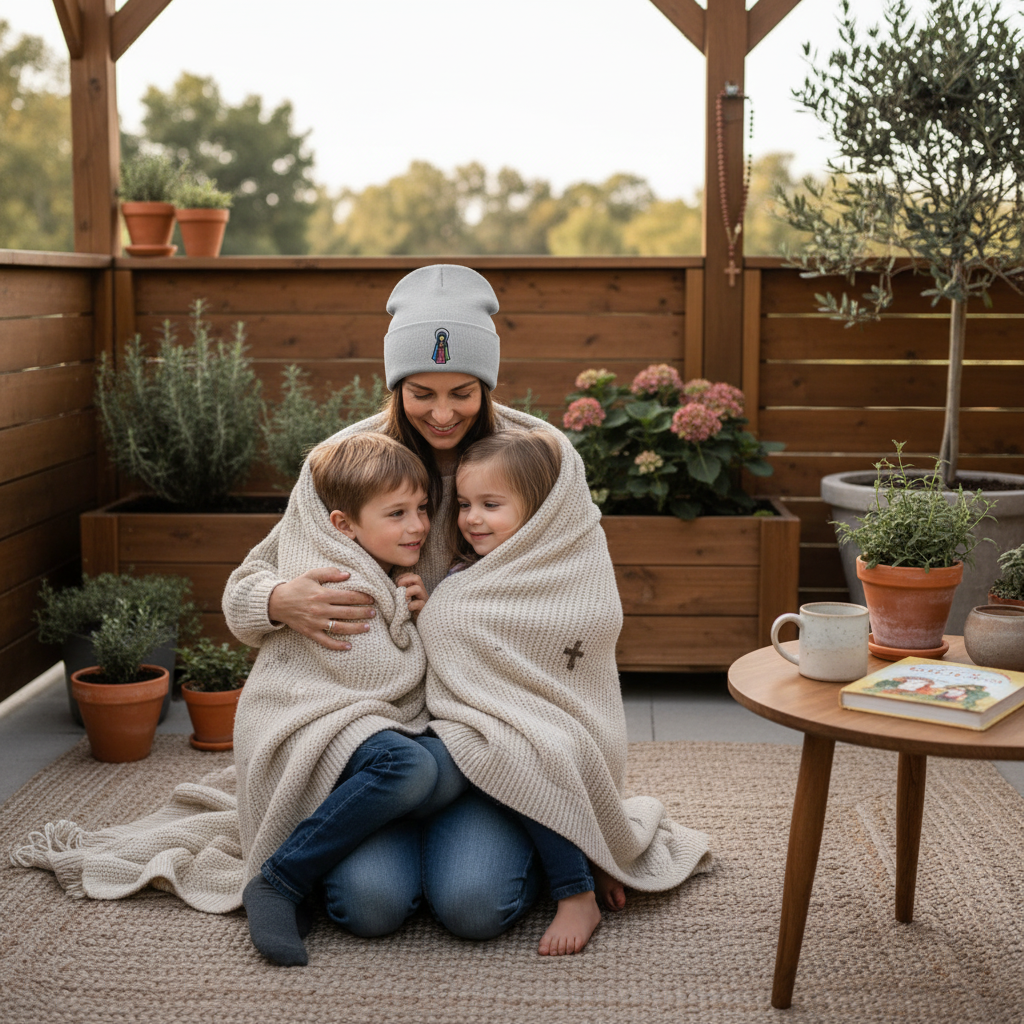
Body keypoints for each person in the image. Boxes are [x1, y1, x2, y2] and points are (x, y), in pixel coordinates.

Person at [224, 264, 711, 944]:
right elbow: (246, 585)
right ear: (395, 386)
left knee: (475, 907)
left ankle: (544, 836)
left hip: (491, 726)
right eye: (421, 393)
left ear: (488, 384)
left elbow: (582, 605)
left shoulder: (541, 459)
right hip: (375, 735)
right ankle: (327, 854)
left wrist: (450, 615)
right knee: (368, 907)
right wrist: (278, 599)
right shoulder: (345, 463)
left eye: (463, 391)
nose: (443, 412)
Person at [236, 432, 466, 966]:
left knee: (461, 758)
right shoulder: (329, 570)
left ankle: (377, 824)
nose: (418, 526)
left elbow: (411, 667)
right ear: (343, 525)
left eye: (422, 508)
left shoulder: (388, 569)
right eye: (397, 514)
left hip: (378, 729)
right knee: (408, 766)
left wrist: (423, 615)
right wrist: (276, 598)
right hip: (313, 719)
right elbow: (373, 669)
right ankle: (279, 879)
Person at [440, 428, 627, 956]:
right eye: (464, 504)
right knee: (506, 747)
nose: (472, 518)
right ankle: (584, 855)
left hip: (546, 720)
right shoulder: (466, 569)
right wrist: (429, 609)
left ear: (539, 510)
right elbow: (453, 635)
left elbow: (584, 635)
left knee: (536, 750)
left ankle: (576, 891)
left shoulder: (566, 567)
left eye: (490, 505)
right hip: (470, 717)